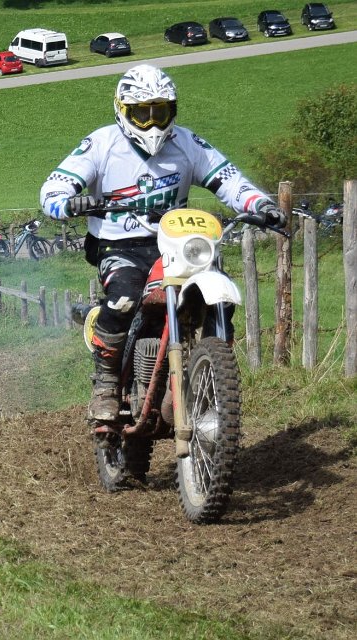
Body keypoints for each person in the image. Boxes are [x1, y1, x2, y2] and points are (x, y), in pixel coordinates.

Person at [40, 64, 286, 423]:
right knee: (124, 299)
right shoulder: (102, 143)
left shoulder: (187, 143)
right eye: (143, 113)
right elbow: (53, 187)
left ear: (173, 110)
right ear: (124, 111)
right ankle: (106, 383)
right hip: (117, 245)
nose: (153, 122)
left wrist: (261, 204)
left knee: (219, 297)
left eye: (161, 111)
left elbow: (230, 180)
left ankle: (215, 376)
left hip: (177, 242)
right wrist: (67, 202)